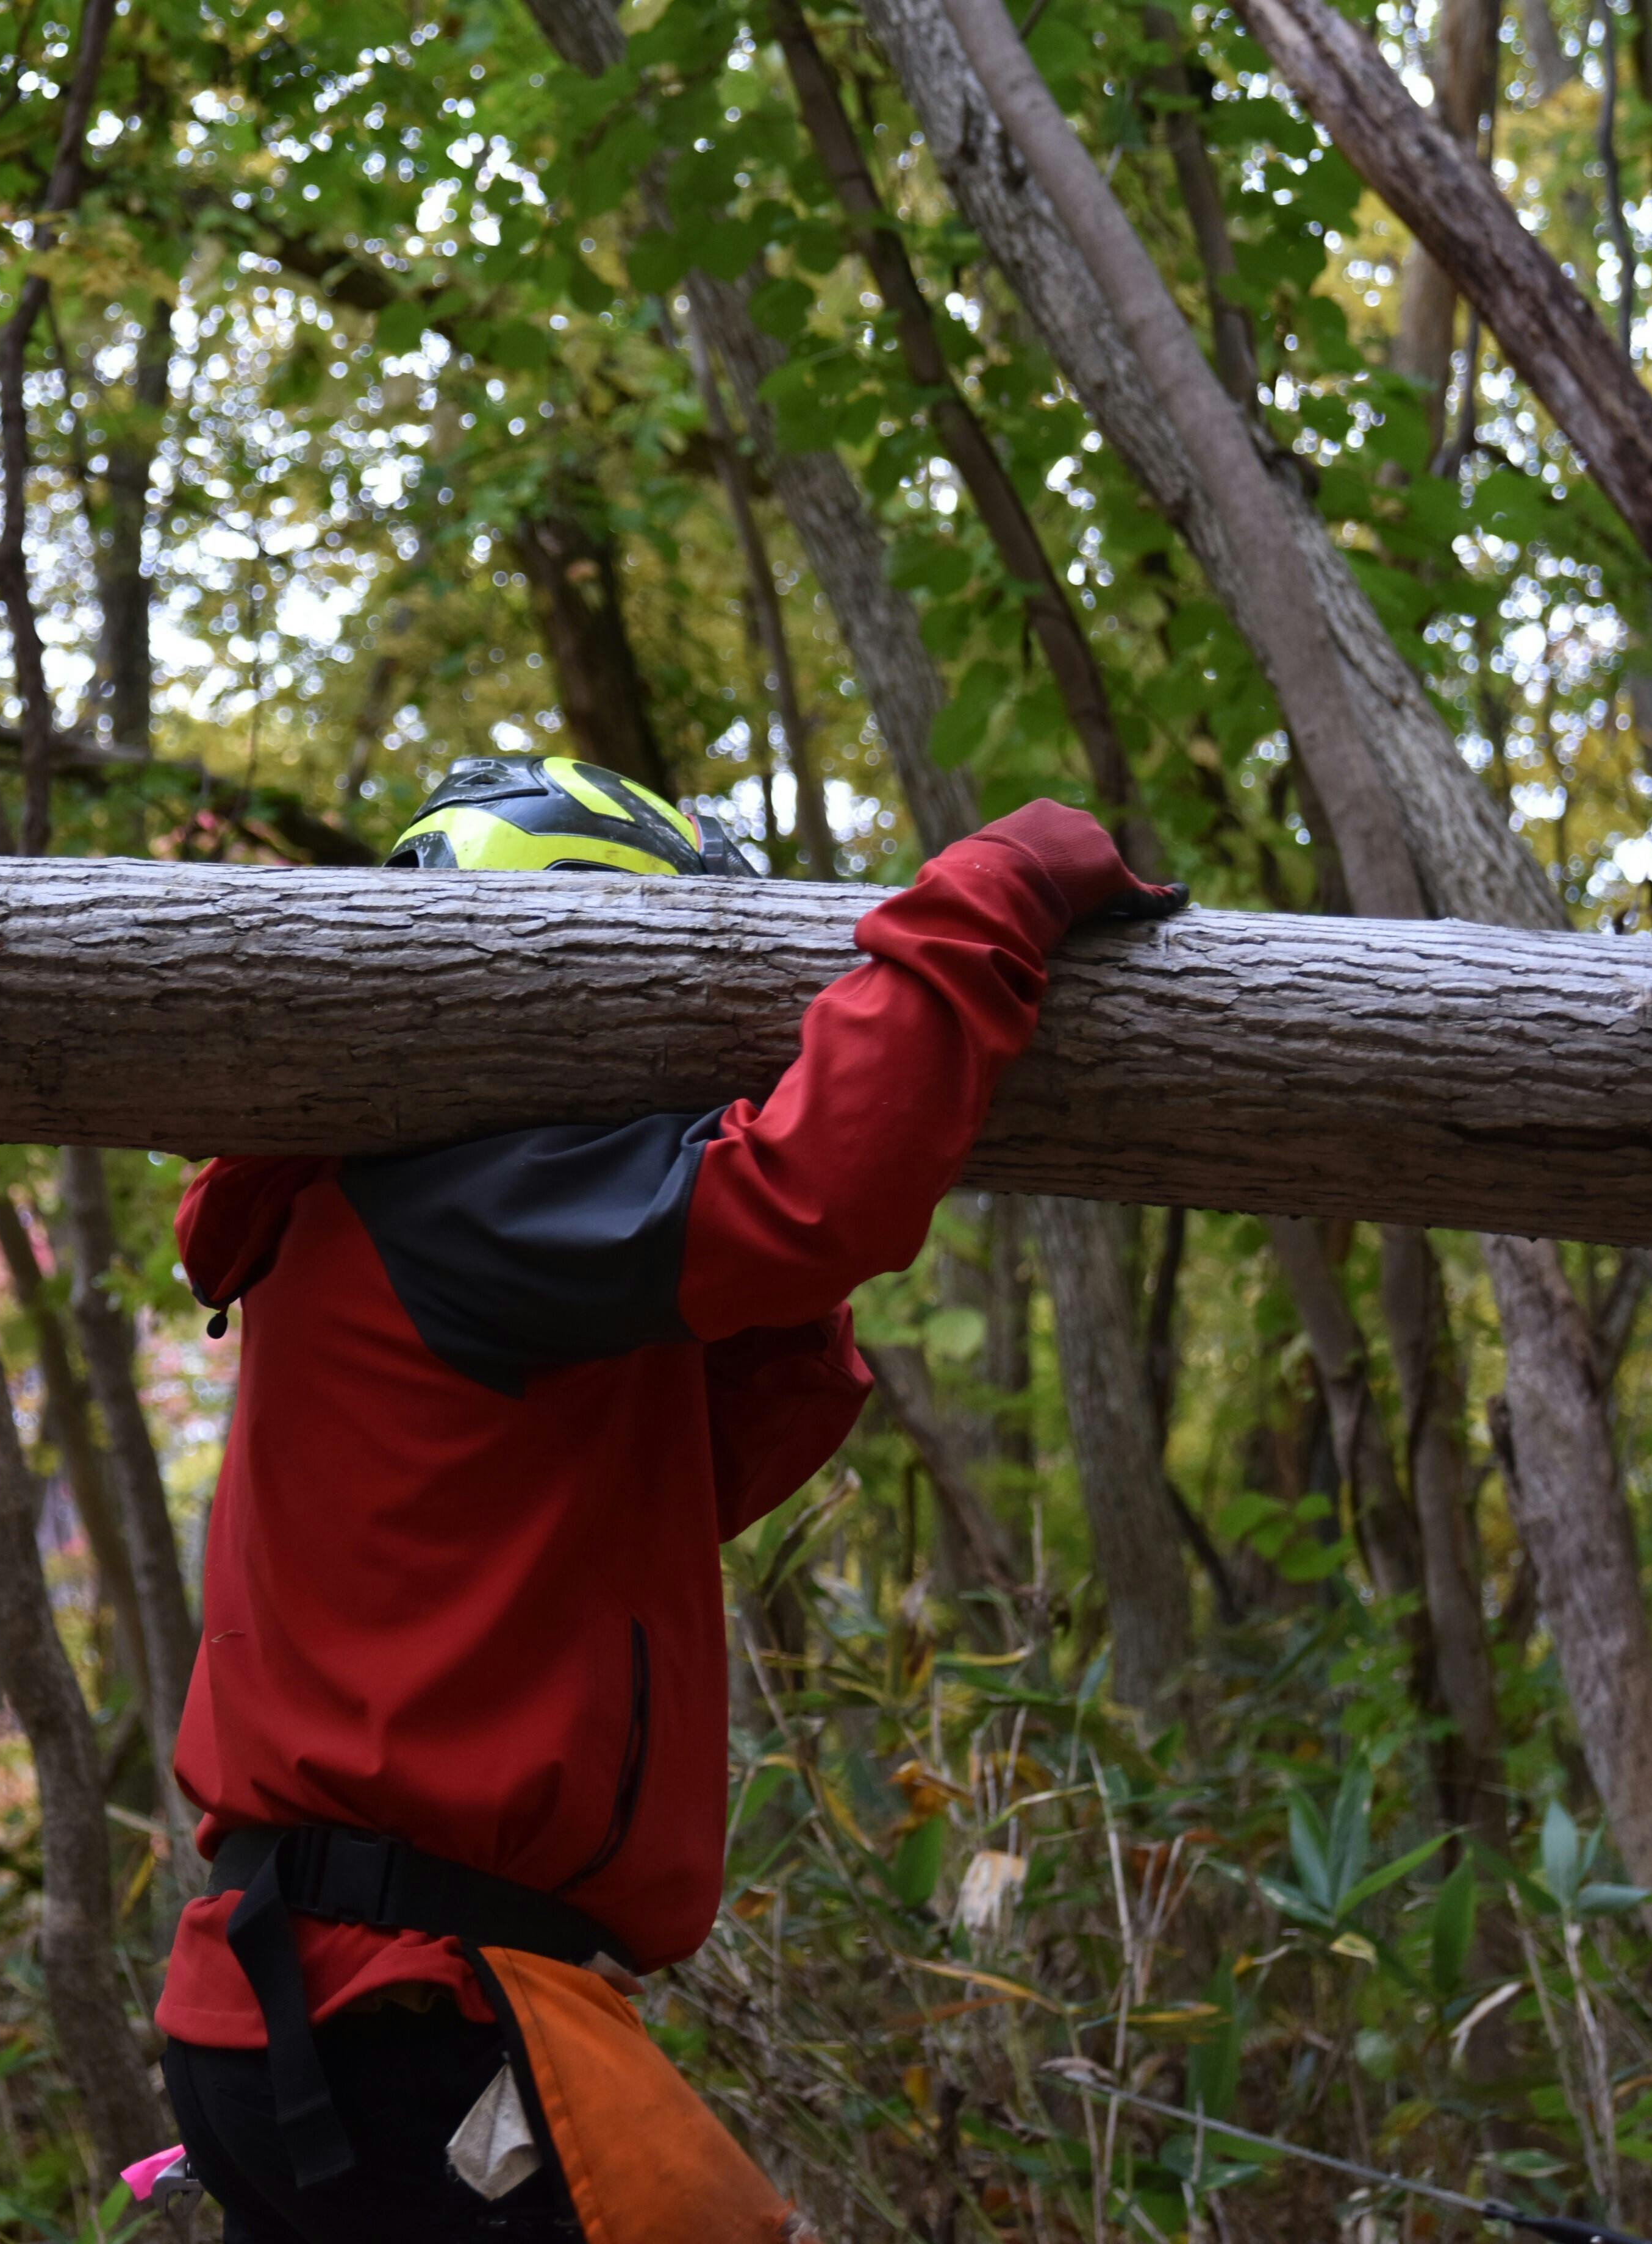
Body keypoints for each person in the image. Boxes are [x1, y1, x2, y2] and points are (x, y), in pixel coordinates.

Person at [151, 756, 1183, 2241]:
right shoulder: (461, 1199)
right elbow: (817, 1192)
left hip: (342, 2004)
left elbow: (675, 1489)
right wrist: (999, 888)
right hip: (399, 2012)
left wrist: (749, 1293)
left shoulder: (402, 1222)